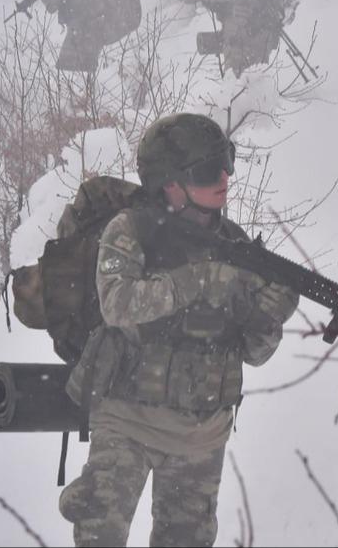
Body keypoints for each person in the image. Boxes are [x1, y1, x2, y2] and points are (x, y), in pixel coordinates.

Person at [58, 113, 301, 546]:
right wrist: (201, 281)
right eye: (210, 170)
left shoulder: (239, 247)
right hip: (126, 419)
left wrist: (271, 312)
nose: (225, 177)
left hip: (200, 436)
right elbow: (117, 303)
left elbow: (254, 352)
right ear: (169, 184)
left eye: (227, 162)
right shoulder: (130, 230)